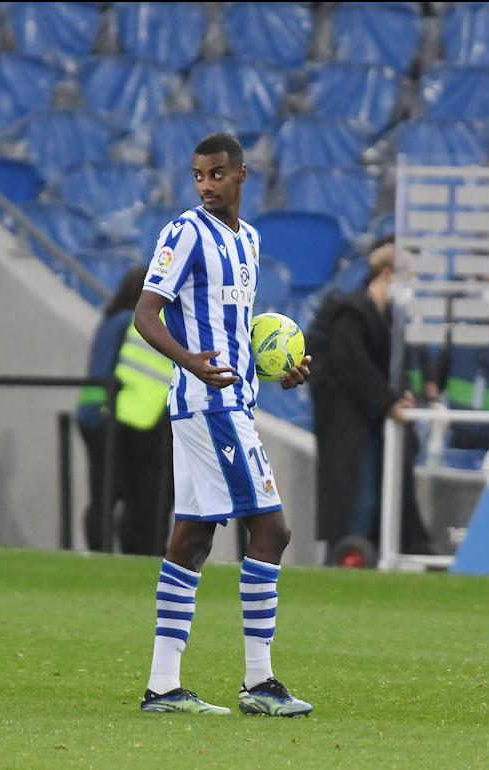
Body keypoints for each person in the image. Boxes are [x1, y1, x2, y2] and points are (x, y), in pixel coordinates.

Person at [133, 133, 313, 717]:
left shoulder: (250, 241)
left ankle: (163, 687)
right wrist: (190, 361)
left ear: (241, 175)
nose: (206, 186)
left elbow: (236, 324)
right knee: (273, 531)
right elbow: (145, 314)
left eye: (216, 175)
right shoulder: (185, 232)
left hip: (232, 402)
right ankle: (259, 683)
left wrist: (280, 366)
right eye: (198, 176)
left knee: (193, 538)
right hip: (210, 404)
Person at [310, 240, 431, 562]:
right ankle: (343, 563)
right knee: (357, 501)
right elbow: (351, 362)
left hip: (370, 423)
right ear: (388, 273)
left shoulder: (385, 318)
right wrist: (389, 400)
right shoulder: (352, 311)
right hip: (349, 426)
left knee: (373, 498)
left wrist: (401, 395)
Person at [75, 265, 174, 555]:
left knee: (110, 494)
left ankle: (103, 551)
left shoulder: (115, 320)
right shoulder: (129, 323)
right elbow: (106, 372)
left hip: (113, 417)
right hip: (115, 418)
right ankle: (109, 550)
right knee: (116, 495)